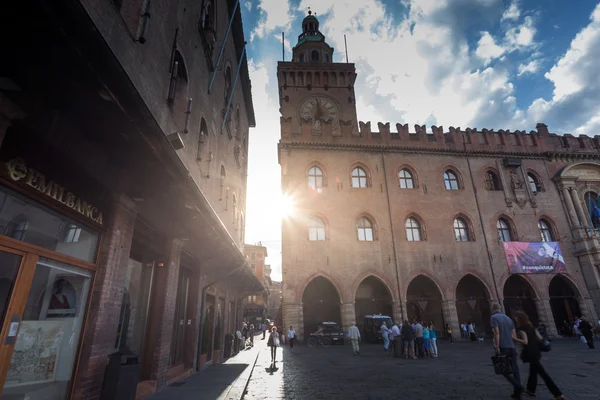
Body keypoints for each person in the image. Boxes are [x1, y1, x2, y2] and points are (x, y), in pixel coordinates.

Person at [513, 312, 565, 400]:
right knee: (533, 370)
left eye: (516, 318)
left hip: (529, 352)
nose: (515, 319)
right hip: (536, 351)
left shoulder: (521, 329)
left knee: (543, 374)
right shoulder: (531, 327)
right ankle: (531, 389)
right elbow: (540, 338)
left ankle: (558, 394)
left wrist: (514, 338)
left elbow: (525, 342)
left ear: (519, 319)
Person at [491, 303, 523, 399]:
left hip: (503, 346)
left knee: (502, 369)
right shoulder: (509, 319)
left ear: (493, 309)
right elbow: (514, 335)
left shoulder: (494, 318)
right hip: (512, 346)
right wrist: (515, 346)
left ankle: (518, 386)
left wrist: (497, 346)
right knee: (515, 369)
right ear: (500, 309)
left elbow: (496, 333)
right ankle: (517, 393)